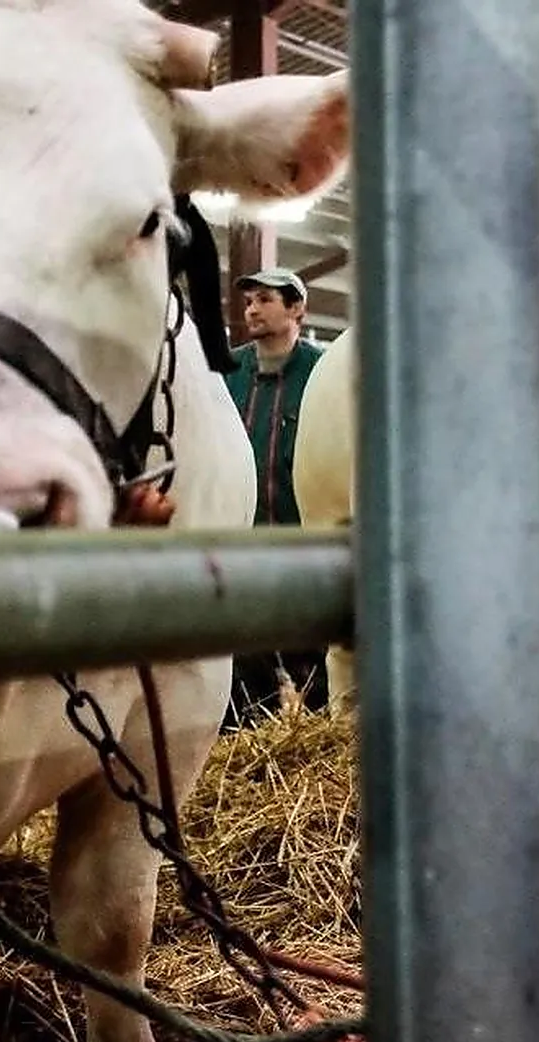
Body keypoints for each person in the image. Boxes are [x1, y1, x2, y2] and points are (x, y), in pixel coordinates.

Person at [223, 267, 329, 728]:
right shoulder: (229, 373)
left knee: (320, 669)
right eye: (249, 301)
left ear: (297, 308)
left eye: (265, 299)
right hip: (244, 548)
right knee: (245, 672)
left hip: (306, 545)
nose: (252, 309)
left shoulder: (322, 375)